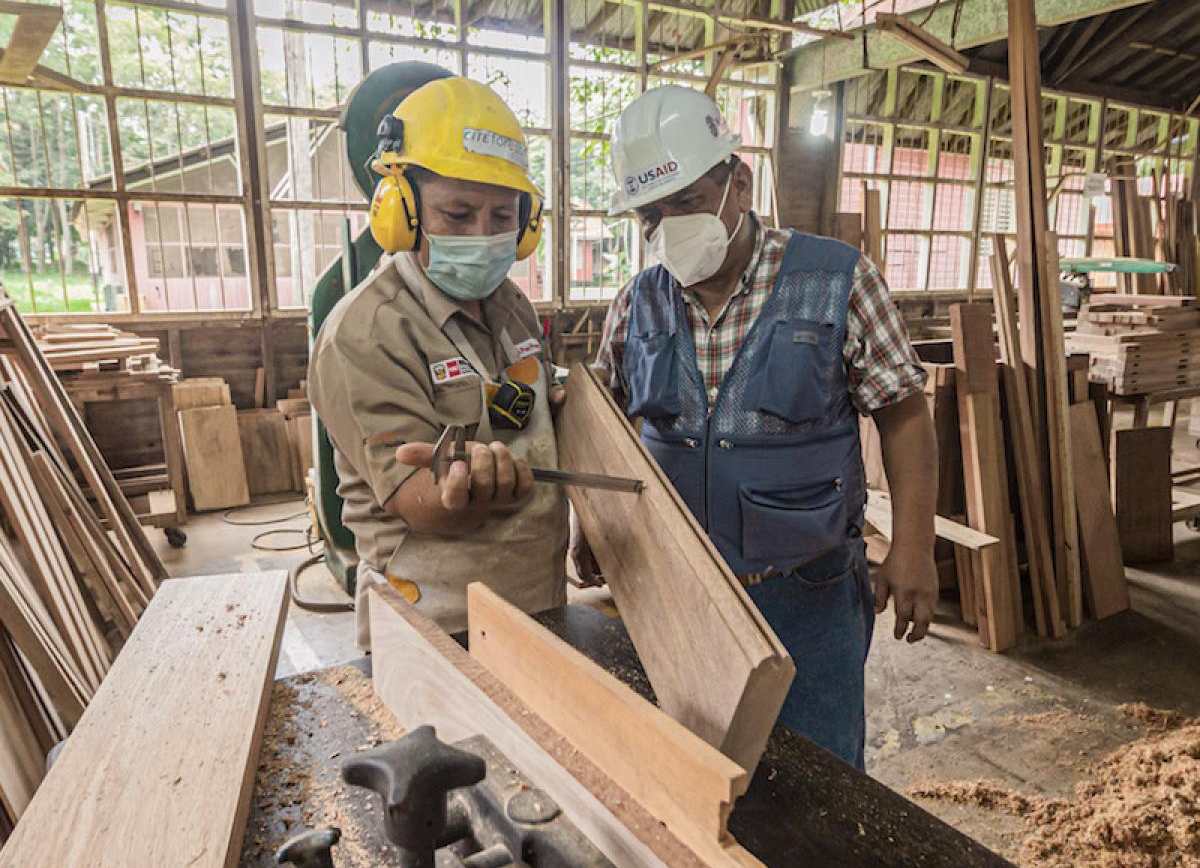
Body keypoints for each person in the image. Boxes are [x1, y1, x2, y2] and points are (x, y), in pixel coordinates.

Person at [582, 85, 939, 769]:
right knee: (691, 766)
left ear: (738, 184)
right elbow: (607, 421)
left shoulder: (836, 280)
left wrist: (915, 546)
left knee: (820, 774)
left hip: (806, 589)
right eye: (651, 215)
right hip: (678, 592)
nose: (668, 228)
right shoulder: (637, 301)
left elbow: (904, 413)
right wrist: (592, 522)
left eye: (685, 202)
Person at [310, 77, 567, 649]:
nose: (484, 235)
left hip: (537, 601)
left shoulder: (513, 309)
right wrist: (460, 488)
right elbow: (417, 502)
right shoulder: (364, 333)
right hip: (436, 626)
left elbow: (514, 413)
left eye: (503, 216)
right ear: (402, 212)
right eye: (457, 214)